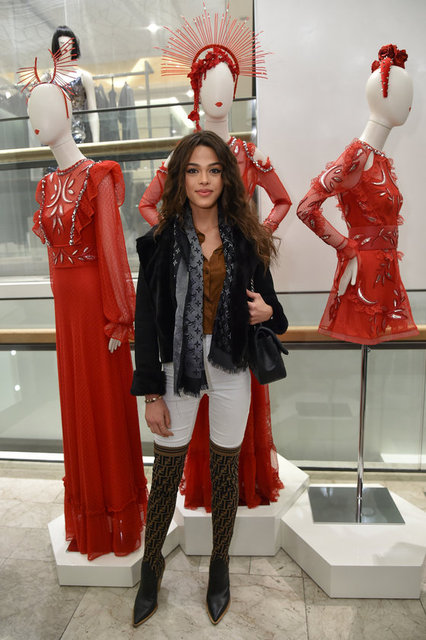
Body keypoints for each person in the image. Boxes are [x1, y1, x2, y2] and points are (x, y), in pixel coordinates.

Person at [131, 130, 287, 625]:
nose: (204, 180)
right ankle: (151, 568)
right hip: (175, 369)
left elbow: (276, 315)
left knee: (225, 469)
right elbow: (145, 324)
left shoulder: (246, 239)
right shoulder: (159, 243)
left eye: (214, 170)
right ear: (180, 178)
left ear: (226, 178)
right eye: (194, 170)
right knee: (165, 472)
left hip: (230, 367)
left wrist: (267, 312)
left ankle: (220, 565)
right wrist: (151, 393)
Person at [139, 4, 292, 512]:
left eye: (214, 172)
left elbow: (283, 202)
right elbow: (148, 209)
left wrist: (255, 238)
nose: (204, 179)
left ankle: (223, 539)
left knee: (230, 451)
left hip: (231, 346)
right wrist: (172, 239)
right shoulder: (180, 163)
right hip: (179, 356)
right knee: (169, 462)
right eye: (210, 83)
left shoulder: (249, 157)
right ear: (197, 90)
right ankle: (164, 544)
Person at [19, 47, 148, 559]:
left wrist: (120, 318)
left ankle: (116, 511)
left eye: (47, 107)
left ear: (69, 111)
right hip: (67, 315)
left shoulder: (99, 176)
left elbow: (114, 254)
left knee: (104, 406)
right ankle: (88, 511)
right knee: (76, 406)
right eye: (31, 111)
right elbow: (54, 262)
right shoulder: (46, 185)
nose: (37, 119)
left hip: (98, 312)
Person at [296, 44, 418, 344]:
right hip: (363, 272)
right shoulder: (357, 157)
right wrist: (345, 246)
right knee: (365, 350)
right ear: (383, 96)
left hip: (385, 270)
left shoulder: (379, 159)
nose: (410, 106)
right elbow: (306, 207)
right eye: (405, 96)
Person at [50, 26, 100, 143]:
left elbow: (93, 112)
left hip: (78, 137)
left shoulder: (84, 77)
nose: (66, 49)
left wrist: (97, 142)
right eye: (62, 44)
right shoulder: (48, 79)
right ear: (57, 47)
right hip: (55, 138)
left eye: (69, 45)